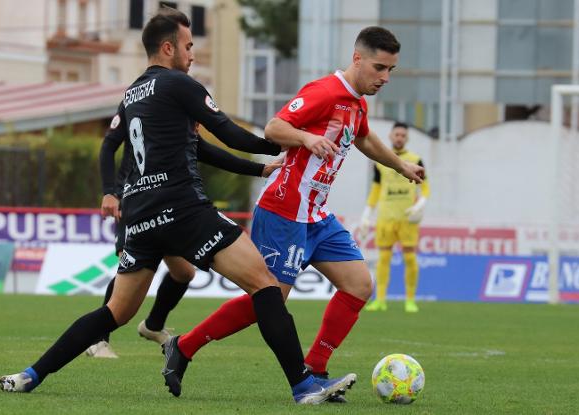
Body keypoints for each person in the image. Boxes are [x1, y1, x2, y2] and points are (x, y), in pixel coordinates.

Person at [0, 9, 356, 404]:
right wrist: (292, 140)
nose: (192, 54)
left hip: (140, 216)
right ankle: (304, 386)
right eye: (188, 46)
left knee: (115, 312)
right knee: (265, 285)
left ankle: (31, 374)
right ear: (167, 48)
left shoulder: (133, 94)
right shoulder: (179, 84)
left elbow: (198, 147)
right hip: (183, 208)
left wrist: (259, 168)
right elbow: (226, 131)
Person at [161, 26, 424, 404]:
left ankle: (316, 369)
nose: (384, 78)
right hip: (283, 211)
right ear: (357, 59)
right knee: (268, 301)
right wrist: (306, 138)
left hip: (316, 216)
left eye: (390, 71)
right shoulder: (324, 92)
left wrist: (399, 165)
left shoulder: (357, 104)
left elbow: (364, 138)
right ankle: (183, 347)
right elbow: (274, 127)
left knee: (359, 286)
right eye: (379, 68)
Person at [86, 122, 283, 358]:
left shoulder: (177, 117)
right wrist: (110, 191)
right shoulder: (139, 100)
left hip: (166, 208)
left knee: (184, 274)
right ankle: (98, 340)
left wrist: (260, 169)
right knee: (128, 269)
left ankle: (153, 326)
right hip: (135, 202)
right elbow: (109, 144)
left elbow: (206, 151)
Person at [359, 121, 430, 313]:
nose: (399, 138)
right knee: (383, 258)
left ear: (406, 138)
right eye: (396, 134)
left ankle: (410, 300)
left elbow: (424, 188)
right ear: (390, 136)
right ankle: (380, 300)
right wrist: (366, 215)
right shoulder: (381, 160)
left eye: (403, 135)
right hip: (386, 217)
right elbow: (375, 190)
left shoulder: (416, 159)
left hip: (407, 218)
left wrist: (420, 205)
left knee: (410, 259)